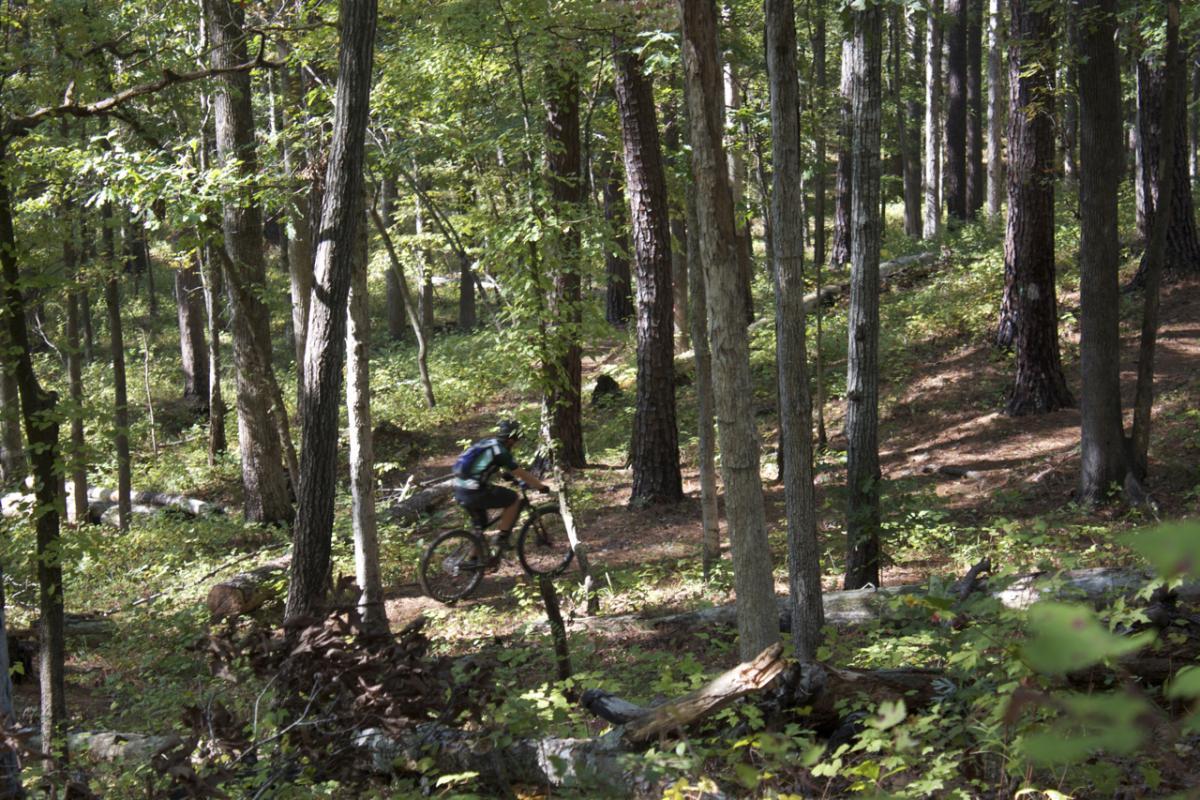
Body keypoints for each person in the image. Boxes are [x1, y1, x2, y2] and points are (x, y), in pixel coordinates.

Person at [453, 420, 550, 547]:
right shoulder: (501, 451)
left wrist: (507, 476)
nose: (515, 443)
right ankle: (502, 537)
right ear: (510, 439)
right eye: (516, 440)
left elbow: (482, 466)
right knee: (513, 498)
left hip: (459, 489)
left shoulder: (488, 443)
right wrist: (541, 486)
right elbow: (521, 473)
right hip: (474, 491)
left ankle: (474, 561)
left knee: (480, 529)